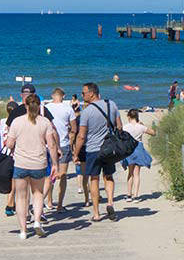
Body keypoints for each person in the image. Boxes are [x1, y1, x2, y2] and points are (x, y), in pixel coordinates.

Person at [3, 93, 60, 239]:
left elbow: (9, 144)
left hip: (21, 163)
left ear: (26, 106)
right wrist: (55, 164)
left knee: (21, 197)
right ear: (39, 105)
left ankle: (23, 231)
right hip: (39, 163)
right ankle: (36, 221)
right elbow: (52, 145)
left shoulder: (16, 122)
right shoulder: (45, 122)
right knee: (38, 194)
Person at [73, 82, 121, 222]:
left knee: (94, 179)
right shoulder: (111, 104)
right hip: (109, 148)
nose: (82, 95)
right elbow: (119, 126)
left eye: (83, 93)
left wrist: (76, 153)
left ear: (91, 93)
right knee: (109, 176)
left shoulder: (86, 112)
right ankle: (110, 202)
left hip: (93, 149)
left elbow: (81, 136)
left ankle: (96, 213)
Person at [43, 88, 77, 210]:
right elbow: (74, 128)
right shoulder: (68, 108)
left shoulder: (46, 108)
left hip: (48, 144)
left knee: (50, 175)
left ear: (52, 96)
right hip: (63, 143)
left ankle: (50, 201)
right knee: (62, 175)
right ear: (63, 96)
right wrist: (72, 140)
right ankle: (60, 205)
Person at [120, 109, 155, 200]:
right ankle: (135, 195)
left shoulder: (125, 127)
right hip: (138, 148)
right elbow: (153, 133)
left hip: (129, 149)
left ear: (128, 116)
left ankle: (129, 195)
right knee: (137, 174)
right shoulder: (140, 127)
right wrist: (143, 125)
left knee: (130, 173)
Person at [0, 100, 18, 217]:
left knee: (9, 180)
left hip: (3, 155)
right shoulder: (17, 122)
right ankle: (9, 205)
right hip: (15, 155)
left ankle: (12, 203)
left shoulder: (1, 122)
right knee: (14, 181)